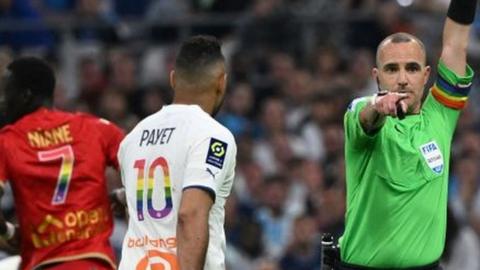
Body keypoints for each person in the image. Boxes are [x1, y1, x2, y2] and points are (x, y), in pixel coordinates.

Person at [340, 0, 477, 268]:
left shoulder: (440, 117)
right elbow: (367, 116)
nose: (402, 78)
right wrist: (379, 107)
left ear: (426, 75)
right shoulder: (360, 112)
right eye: (392, 69)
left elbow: (455, 44)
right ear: (376, 75)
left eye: (412, 68)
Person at [117, 35, 237, 270]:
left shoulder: (132, 139)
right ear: (222, 82)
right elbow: (190, 213)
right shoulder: (213, 136)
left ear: (173, 79)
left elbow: (136, 218)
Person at [0, 57, 124, 270]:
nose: (2, 101)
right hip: (95, 262)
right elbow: (146, 164)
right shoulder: (94, 128)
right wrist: (124, 195)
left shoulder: (8, 140)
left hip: (46, 261)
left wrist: (7, 232)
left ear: (25, 96)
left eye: (5, 92)